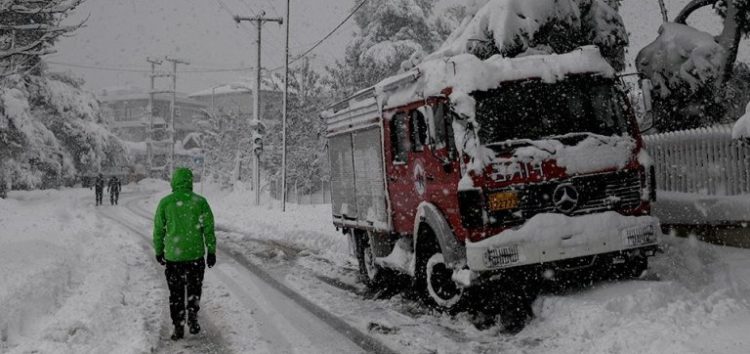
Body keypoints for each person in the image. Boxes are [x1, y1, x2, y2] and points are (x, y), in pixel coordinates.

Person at [152, 167, 216, 340]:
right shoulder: (200, 202)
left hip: (174, 257)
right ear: (190, 181)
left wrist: (159, 251)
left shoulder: (166, 203)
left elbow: (158, 230)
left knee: (176, 293)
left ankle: (178, 326)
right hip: (195, 256)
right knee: (194, 288)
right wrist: (211, 251)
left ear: (174, 182)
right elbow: (209, 229)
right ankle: (193, 317)